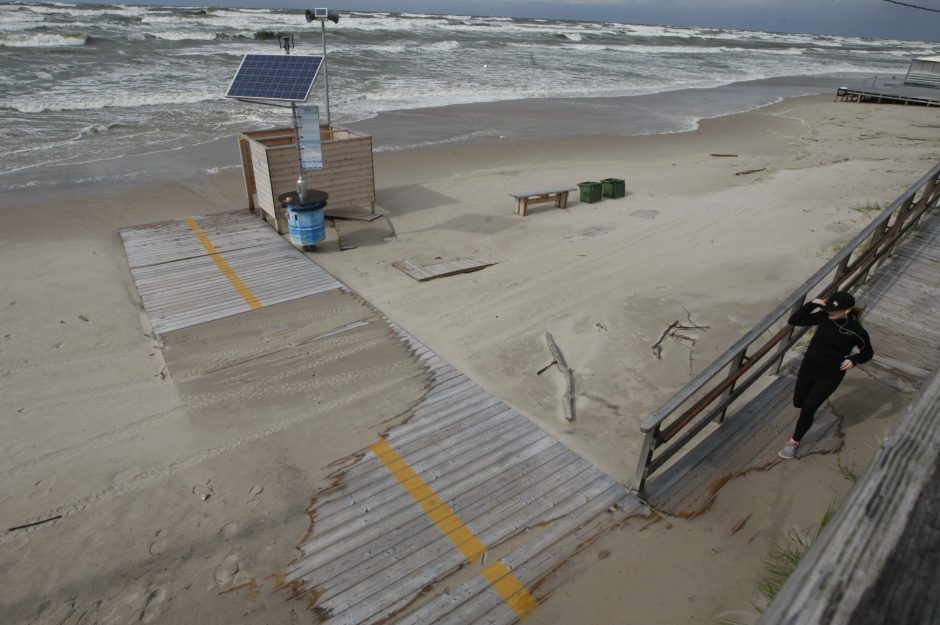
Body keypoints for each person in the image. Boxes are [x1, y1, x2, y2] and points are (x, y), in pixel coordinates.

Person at [779, 291, 874, 459]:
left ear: (847, 310)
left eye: (834, 310)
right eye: (828, 308)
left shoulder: (856, 331)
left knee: (808, 409)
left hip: (830, 375)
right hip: (808, 368)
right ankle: (809, 408)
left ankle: (794, 442)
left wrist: (855, 359)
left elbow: (868, 352)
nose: (830, 312)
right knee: (798, 402)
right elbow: (794, 321)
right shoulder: (823, 317)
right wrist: (813, 304)